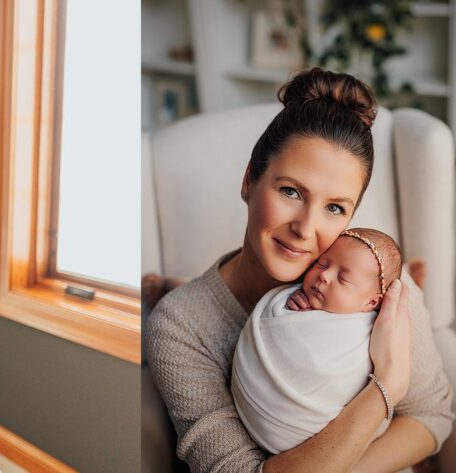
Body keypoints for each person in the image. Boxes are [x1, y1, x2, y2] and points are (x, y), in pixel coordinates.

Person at [144, 68, 454, 472]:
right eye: (291, 191)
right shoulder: (181, 326)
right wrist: (385, 389)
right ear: (249, 182)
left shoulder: (378, 281)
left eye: (335, 208)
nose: (306, 229)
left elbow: (433, 416)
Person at [231, 228, 400, 454]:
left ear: (371, 303)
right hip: (269, 420)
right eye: (321, 264)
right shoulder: (297, 297)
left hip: (323, 436)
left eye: (342, 278)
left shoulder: (373, 327)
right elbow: (275, 320)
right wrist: (289, 305)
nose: (324, 276)